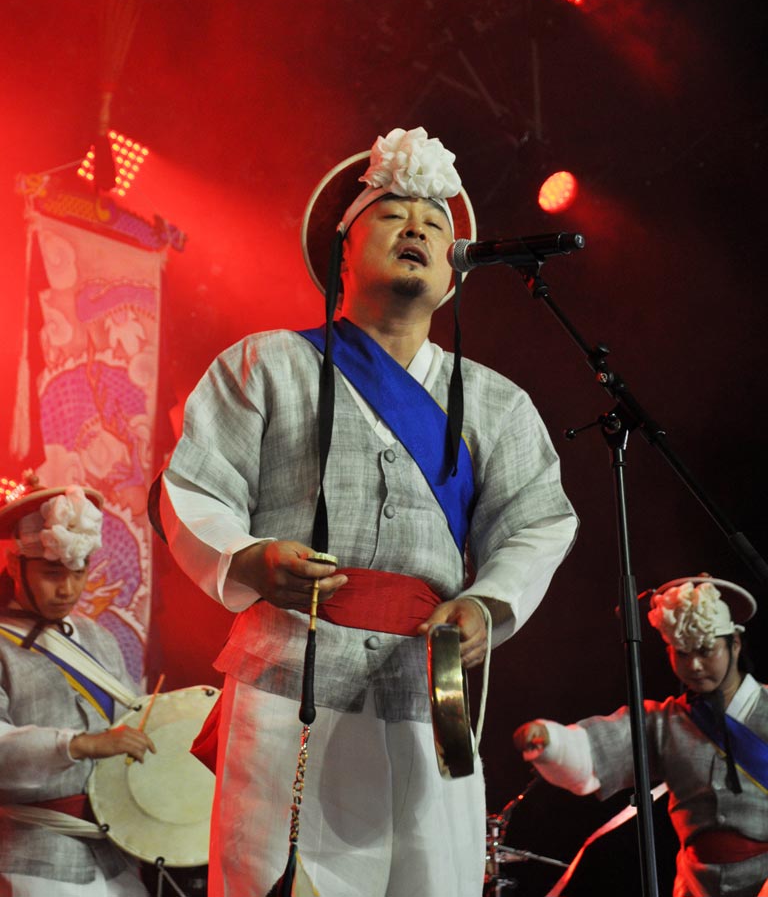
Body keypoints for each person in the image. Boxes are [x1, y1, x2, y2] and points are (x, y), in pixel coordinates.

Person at [155, 125, 578, 897]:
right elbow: (191, 488)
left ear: (454, 269)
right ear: (341, 251)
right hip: (288, 671)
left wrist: (487, 602)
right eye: (391, 214)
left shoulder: (497, 403)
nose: (417, 228)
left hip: (428, 687)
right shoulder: (265, 364)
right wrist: (249, 559)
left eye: (435, 222)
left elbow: (537, 521)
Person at [513, 574, 768, 897]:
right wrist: (551, 741)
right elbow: (601, 746)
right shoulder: (664, 723)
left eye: (706, 650)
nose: (695, 665)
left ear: (735, 643)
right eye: (682, 653)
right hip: (697, 885)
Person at [0, 475, 155, 897]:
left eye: (78, 571)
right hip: (35, 862)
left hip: (117, 850)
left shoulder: (98, 638)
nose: (67, 589)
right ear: (15, 566)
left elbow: (133, 724)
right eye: (52, 573)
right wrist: (82, 744)